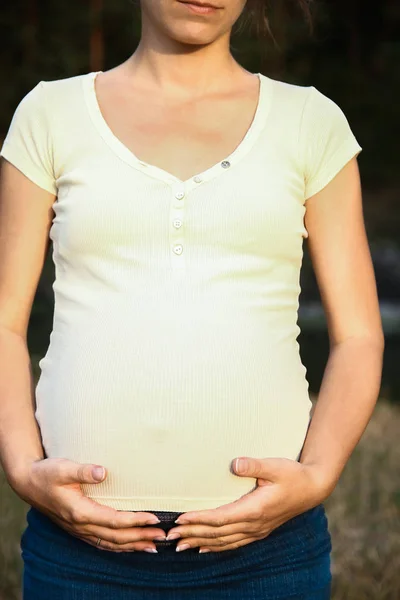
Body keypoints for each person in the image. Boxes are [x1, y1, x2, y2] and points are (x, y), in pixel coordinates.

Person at [0, 0, 384, 598]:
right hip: (78, 556)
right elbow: (4, 324)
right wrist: (25, 470)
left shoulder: (311, 122)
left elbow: (360, 335)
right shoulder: (49, 114)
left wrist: (317, 476)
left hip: (267, 556)